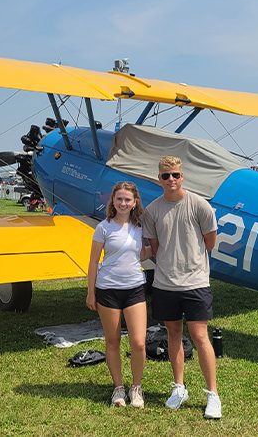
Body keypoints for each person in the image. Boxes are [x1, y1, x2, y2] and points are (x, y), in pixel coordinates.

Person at [142, 156, 223, 419]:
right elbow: (154, 249)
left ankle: (213, 394)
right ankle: (180, 387)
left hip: (196, 282)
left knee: (200, 337)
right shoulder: (152, 210)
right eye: (166, 176)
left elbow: (209, 243)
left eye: (175, 175)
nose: (171, 180)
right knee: (173, 334)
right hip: (165, 283)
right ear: (159, 179)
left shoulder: (199, 205)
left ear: (182, 176)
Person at [86, 181, 153, 408]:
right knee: (112, 341)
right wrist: (91, 292)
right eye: (119, 199)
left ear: (135, 203)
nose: (123, 203)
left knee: (138, 343)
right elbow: (94, 261)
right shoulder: (103, 227)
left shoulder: (139, 228)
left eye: (128, 199)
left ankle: (136, 388)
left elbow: (140, 254)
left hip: (134, 288)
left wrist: (159, 245)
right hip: (108, 290)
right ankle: (118, 388)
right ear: (112, 201)